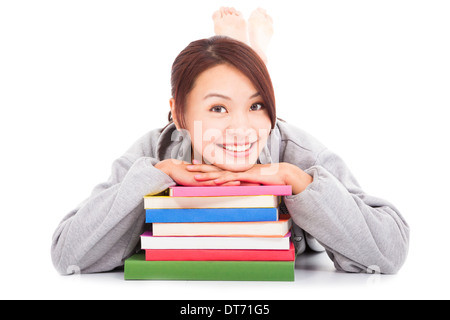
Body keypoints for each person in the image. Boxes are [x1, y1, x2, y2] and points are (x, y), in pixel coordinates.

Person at [51, 7, 409, 275]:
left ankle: (249, 52)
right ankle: (245, 53)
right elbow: (68, 255)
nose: (241, 128)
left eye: (257, 105)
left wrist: (300, 183)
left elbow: (389, 250)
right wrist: (155, 176)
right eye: (218, 108)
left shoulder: (297, 152)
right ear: (178, 115)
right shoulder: (154, 152)